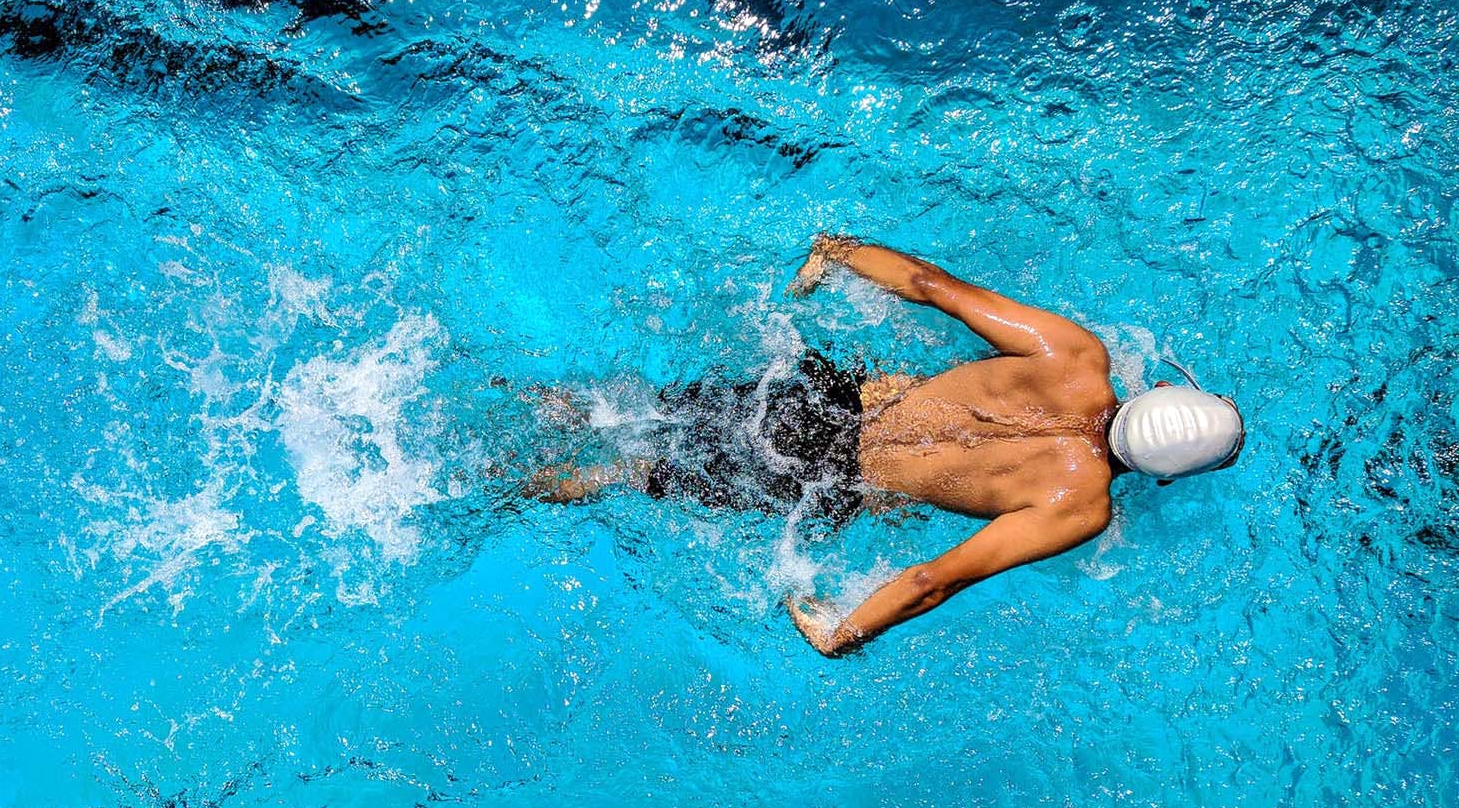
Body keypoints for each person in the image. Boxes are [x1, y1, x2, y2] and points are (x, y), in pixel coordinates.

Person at [527, 235, 1244, 655]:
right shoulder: (1079, 506)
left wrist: (838, 252)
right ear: (1166, 477)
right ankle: (504, 483)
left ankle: (529, 398)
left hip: (819, 398)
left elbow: (932, 286)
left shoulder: (1075, 355)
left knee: (633, 411)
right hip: (826, 478)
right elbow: (936, 579)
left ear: (1159, 391)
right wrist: (845, 633)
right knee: (633, 474)